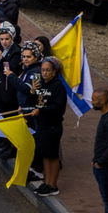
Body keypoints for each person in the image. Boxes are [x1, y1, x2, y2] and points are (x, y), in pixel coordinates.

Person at [28, 56, 68, 196]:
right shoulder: (40, 84)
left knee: (53, 156)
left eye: (47, 70)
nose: (44, 73)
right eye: (43, 70)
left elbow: (58, 107)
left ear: (54, 72)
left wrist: (41, 111)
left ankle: (53, 185)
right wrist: (32, 92)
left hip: (52, 126)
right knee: (45, 154)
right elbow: (34, 101)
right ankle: (46, 182)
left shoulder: (58, 87)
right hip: (41, 125)